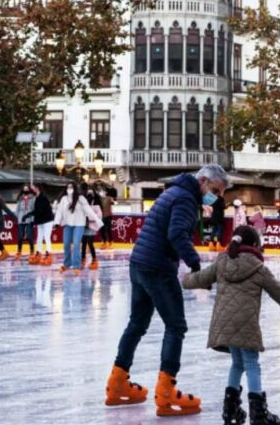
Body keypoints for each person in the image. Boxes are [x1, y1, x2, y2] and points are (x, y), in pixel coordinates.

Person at [105, 164, 230, 417]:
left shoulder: (172, 191)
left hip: (139, 263)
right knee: (176, 326)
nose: (215, 197)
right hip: (158, 267)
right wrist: (195, 264)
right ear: (203, 181)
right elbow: (176, 234)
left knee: (137, 324)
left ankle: (117, 383)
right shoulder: (185, 198)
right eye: (215, 190)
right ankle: (166, 392)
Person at [182, 225, 280, 425]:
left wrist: (186, 280)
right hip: (246, 325)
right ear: (255, 245)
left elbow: (200, 278)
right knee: (252, 365)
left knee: (238, 364)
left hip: (223, 323)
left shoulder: (222, 262)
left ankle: (230, 410)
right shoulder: (258, 267)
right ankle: (258, 415)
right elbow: (278, 290)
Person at [55, 181, 102, 274]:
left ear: (75, 188)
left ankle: (76, 266)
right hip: (67, 224)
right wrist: (56, 222)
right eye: (68, 187)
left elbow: (89, 210)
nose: (69, 189)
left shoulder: (81, 199)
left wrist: (97, 219)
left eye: (71, 187)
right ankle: (67, 264)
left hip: (79, 224)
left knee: (76, 244)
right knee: (66, 244)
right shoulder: (64, 199)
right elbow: (59, 211)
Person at [31, 185, 55, 266]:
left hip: (48, 220)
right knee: (39, 237)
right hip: (41, 221)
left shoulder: (43, 198)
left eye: (34, 188)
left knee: (46, 237)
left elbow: (39, 211)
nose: (32, 189)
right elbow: (37, 211)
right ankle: (38, 252)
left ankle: (48, 253)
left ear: (38, 189)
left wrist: (29, 216)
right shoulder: (37, 198)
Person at [81, 189, 104, 270]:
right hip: (85, 226)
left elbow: (99, 216)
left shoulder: (97, 206)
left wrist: (89, 218)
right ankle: (83, 259)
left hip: (92, 227)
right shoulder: (85, 206)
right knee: (84, 242)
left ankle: (94, 260)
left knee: (90, 242)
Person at [14, 188, 35, 260]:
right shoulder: (20, 198)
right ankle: (19, 251)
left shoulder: (32, 198)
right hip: (21, 219)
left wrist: (33, 220)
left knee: (29, 236)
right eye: (24, 189)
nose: (25, 191)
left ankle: (32, 251)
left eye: (27, 189)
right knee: (20, 237)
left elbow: (33, 210)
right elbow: (17, 209)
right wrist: (16, 219)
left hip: (29, 219)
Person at [207, 188, 226, 252]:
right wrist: (227, 205)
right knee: (219, 231)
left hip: (214, 217)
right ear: (218, 193)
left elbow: (211, 205)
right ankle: (218, 245)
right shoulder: (221, 199)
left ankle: (211, 244)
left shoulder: (212, 199)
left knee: (213, 231)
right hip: (219, 217)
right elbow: (223, 207)